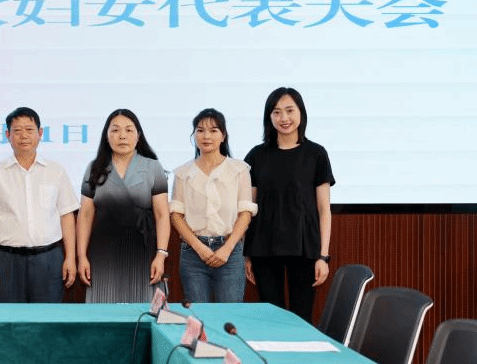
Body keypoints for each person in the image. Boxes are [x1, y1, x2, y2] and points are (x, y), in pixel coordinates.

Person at [243, 87, 335, 321]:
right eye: (276, 112)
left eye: (289, 110)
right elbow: (248, 208)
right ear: (269, 117)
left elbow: (324, 210)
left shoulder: (316, 154)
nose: (284, 118)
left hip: (304, 248)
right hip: (264, 248)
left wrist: (323, 257)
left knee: (301, 319)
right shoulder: (256, 155)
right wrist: (247, 254)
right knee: (271, 319)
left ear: (301, 112)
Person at [0, 107, 79, 303]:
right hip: (8, 260)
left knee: (47, 318)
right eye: (17, 130)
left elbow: (66, 215)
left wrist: (71, 257)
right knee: (9, 318)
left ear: (40, 133)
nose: (24, 136)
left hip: (49, 258)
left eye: (29, 130)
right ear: (8, 135)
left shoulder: (56, 171)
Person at [76, 108, 169, 303]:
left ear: (138, 135)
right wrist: (82, 256)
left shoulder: (153, 167)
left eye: (128, 130)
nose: (122, 136)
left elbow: (162, 214)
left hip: (143, 253)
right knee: (104, 309)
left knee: (141, 310)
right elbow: (85, 215)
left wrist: (161, 254)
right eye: (115, 130)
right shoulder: (94, 168)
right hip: (104, 254)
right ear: (107, 136)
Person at [169, 108, 257, 303]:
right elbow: (176, 215)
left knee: (230, 314)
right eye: (200, 130)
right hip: (193, 253)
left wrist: (227, 248)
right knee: (197, 315)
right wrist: (200, 248)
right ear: (194, 136)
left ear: (223, 136)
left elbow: (245, 213)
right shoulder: (183, 173)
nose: (206, 136)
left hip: (230, 250)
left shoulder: (239, 169)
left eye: (213, 130)